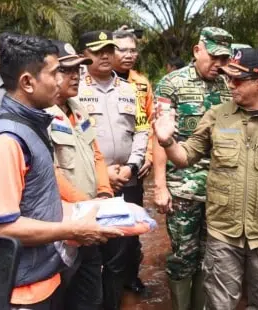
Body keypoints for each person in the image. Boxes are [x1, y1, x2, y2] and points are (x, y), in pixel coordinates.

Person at [154, 48, 258, 310]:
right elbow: (184, 157)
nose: (229, 84)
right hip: (223, 231)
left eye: (237, 80)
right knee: (219, 303)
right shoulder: (216, 116)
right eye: (228, 78)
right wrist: (167, 140)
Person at [0, 32, 122, 310]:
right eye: (55, 72)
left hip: (44, 277)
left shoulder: (32, 126)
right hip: (22, 292)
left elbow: (38, 199)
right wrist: (72, 229)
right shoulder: (7, 141)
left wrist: (90, 207)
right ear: (28, 82)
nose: (62, 79)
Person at [153, 26, 233, 310]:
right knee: (183, 256)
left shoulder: (230, 86)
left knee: (211, 256)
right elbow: (160, 138)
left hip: (220, 189)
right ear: (197, 50)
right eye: (214, 57)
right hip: (183, 188)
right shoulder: (171, 84)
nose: (219, 65)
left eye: (224, 59)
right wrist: (160, 186)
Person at [75, 30, 149, 310]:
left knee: (122, 249)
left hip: (127, 180)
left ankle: (113, 303)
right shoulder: (75, 90)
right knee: (90, 250)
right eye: (97, 51)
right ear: (85, 56)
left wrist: (132, 165)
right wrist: (104, 173)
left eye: (109, 50)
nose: (105, 55)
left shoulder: (129, 89)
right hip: (91, 183)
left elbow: (142, 130)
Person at [45, 40, 114, 309]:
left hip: (90, 220)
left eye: (79, 70)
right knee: (61, 295)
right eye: (67, 70)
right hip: (63, 225)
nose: (76, 76)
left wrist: (105, 194)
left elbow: (96, 154)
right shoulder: (41, 114)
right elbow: (51, 173)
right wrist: (88, 205)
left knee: (90, 297)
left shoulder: (78, 107)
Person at [112, 28, 153, 295]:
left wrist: (147, 154)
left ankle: (130, 276)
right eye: (122, 50)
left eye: (132, 50)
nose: (129, 55)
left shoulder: (141, 84)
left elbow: (148, 123)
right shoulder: (90, 83)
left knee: (132, 223)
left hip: (135, 167)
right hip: (104, 168)